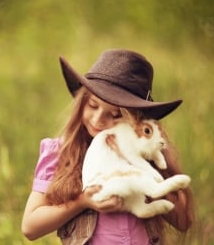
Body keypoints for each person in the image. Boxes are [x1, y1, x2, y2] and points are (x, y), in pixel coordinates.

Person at [21, 49, 194, 245]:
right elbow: (30, 227)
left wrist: (138, 165)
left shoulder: (148, 152)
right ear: (81, 103)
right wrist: (83, 201)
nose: (98, 120)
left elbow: (182, 221)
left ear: (137, 119)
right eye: (93, 106)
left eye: (115, 115)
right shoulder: (60, 151)